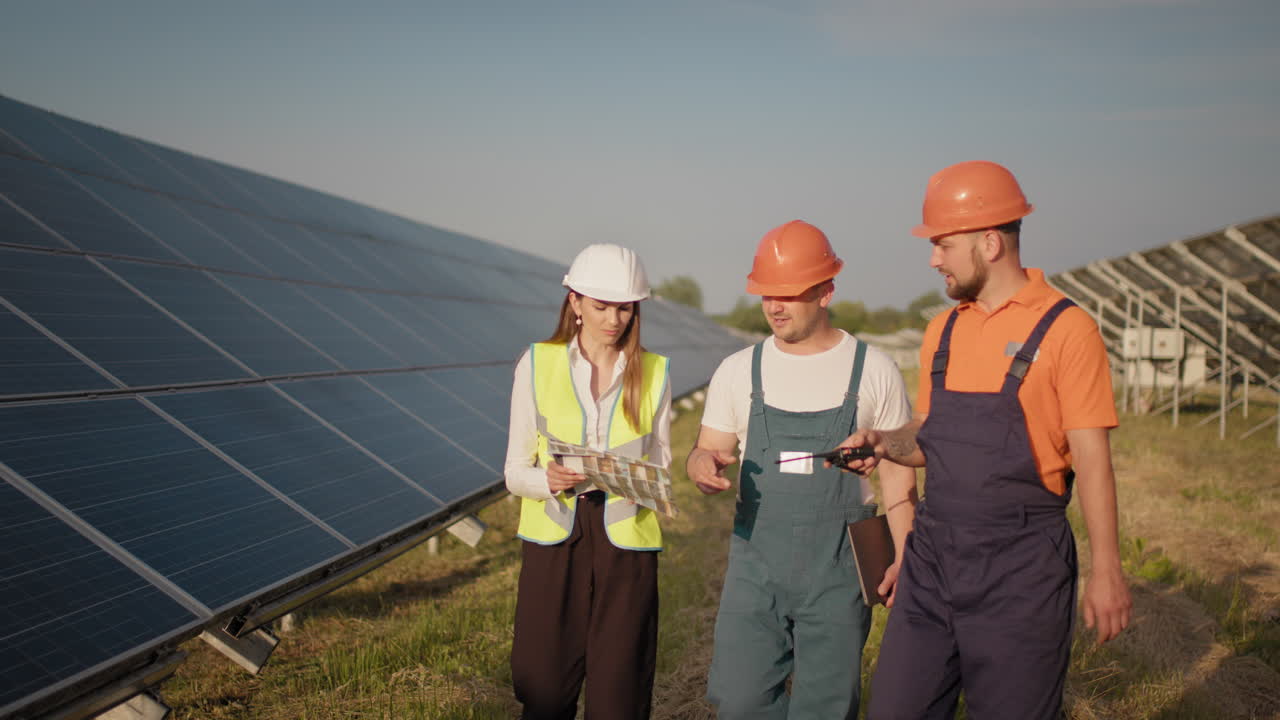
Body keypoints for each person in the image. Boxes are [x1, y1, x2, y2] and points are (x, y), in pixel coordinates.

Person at [838, 160, 1133, 719]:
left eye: (943, 245)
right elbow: (929, 433)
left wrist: (1107, 570)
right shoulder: (944, 330)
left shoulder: (1068, 330)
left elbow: (1094, 462)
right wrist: (882, 442)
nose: (933, 259)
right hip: (932, 560)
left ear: (990, 243)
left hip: (1021, 568)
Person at [686, 220, 919, 720]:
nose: (775, 306)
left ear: (826, 291)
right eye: (768, 293)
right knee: (741, 702)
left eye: (790, 294)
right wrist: (700, 465)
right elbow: (705, 449)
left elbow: (899, 477)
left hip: (838, 568)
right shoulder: (738, 371)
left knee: (825, 707)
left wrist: (905, 556)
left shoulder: (872, 370)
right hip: (756, 565)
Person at [503, 243, 672, 720]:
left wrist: (628, 478)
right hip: (555, 538)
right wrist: (548, 479)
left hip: (626, 543)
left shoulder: (655, 371)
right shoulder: (536, 364)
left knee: (621, 694)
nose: (614, 319)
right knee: (543, 688)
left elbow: (662, 467)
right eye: (601, 306)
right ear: (574, 302)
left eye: (625, 308)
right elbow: (514, 471)